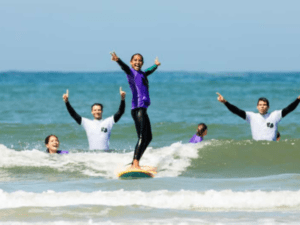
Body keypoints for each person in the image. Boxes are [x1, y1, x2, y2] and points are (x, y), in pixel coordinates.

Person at [111, 52, 161, 169]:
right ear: (131, 62)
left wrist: (156, 65)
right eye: (135, 60)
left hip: (143, 109)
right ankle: (135, 163)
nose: (137, 62)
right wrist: (118, 60)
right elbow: (124, 68)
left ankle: (135, 162)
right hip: (138, 109)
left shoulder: (142, 74)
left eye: (140, 60)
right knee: (142, 137)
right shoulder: (131, 73)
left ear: (142, 63)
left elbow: (148, 71)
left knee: (148, 137)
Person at [216, 92, 300, 141]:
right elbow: (237, 111)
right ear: (257, 107)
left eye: (264, 105)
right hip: (257, 148)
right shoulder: (251, 116)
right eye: (260, 105)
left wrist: (298, 99)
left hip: (271, 148)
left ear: (268, 107)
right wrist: (225, 102)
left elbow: (289, 109)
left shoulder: (274, 115)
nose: (262, 106)